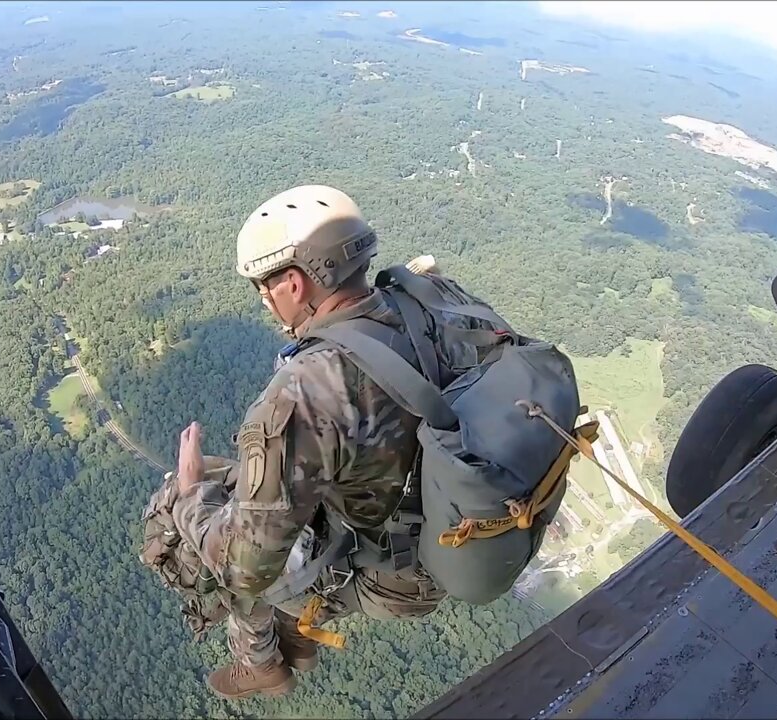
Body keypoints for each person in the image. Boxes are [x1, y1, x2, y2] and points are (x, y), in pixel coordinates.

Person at [146, 185, 508, 699]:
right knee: (239, 491)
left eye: (264, 287)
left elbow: (245, 566)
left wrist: (188, 496)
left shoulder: (308, 393)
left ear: (293, 283)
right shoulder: (436, 299)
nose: (266, 300)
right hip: (461, 522)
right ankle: (296, 631)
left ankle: (262, 663)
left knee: (195, 510)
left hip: (395, 571)